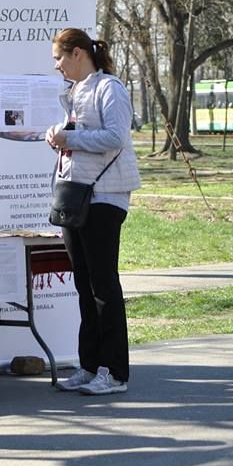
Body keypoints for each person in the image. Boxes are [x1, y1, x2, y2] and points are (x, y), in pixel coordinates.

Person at [46, 28, 141, 395]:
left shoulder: (109, 88)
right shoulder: (72, 92)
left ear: (78, 53)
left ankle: (114, 371)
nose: (56, 65)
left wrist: (71, 137)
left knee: (103, 285)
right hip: (74, 196)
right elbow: (81, 136)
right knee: (83, 284)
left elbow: (116, 137)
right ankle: (89, 365)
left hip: (106, 196)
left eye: (59, 57)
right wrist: (58, 135)